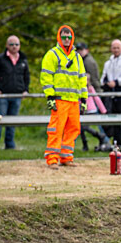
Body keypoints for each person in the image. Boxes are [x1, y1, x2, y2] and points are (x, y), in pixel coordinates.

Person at [40, 25, 87, 169]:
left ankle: (66, 157)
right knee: (56, 130)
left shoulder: (77, 57)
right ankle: (52, 159)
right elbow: (46, 77)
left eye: (69, 37)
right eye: (64, 37)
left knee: (73, 129)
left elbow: (82, 79)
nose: (66, 39)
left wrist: (84, 99)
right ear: (59, 38)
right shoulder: (52, 54)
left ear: (72, 38)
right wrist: (50, 97)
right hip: (59, 99)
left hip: (73, 101)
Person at [0, 35, 29, 150]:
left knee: (12, 121)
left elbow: (26, 76)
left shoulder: (23, 59)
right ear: (7, 45)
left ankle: (9, 145)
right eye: (11, 44)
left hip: (17, 95)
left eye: (16, 44)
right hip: (2, 95)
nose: (14, 47)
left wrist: (26, 90)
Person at [75, 42, 109, 151]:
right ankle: (98, 141)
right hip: (88, 96)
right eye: (78, 50)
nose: (79, 52)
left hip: (91, 96)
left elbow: (90, 78)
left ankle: (105, 141)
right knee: (83, 126)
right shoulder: (85, 60)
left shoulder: (87, 62)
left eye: (81, 50)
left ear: (86, 50)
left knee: (94, 125)